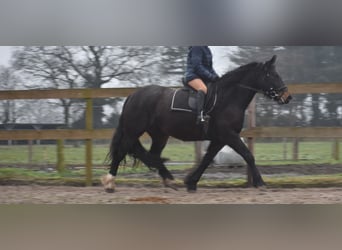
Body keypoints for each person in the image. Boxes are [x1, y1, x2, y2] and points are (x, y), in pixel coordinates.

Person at [184, 46, 219, 124]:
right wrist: (210, 76)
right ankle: (200, 115)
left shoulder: (207, 49)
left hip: (203, 76)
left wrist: (217, 77)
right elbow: (197, 66)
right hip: (192, 75)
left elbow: (210, 67)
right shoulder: (197, 47)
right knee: (203, 89)